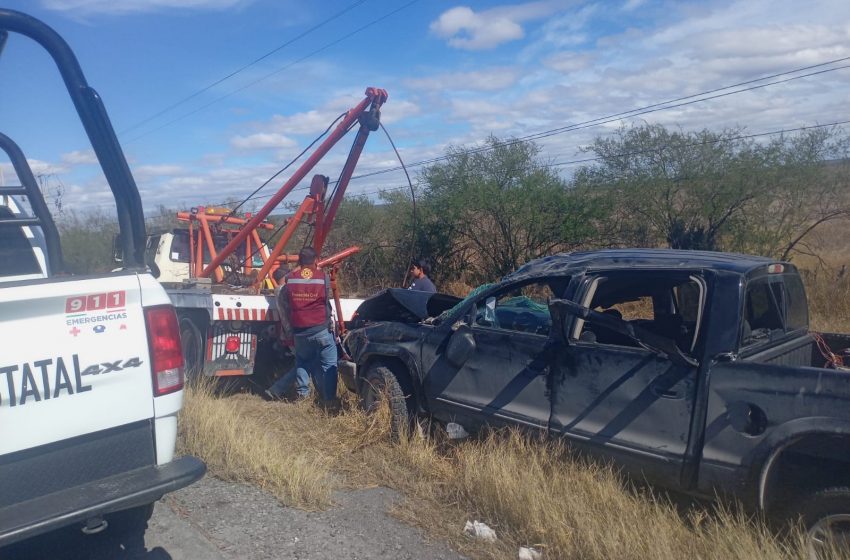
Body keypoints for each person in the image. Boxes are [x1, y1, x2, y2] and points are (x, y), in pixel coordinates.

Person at [265, 267, 310, 400]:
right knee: (304, 363)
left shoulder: (278, 290)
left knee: (303, 362)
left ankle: (284, 389)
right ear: (285, 276)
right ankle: (278, 389)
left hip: (288, 332)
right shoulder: (284, 290)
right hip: (294, 332)